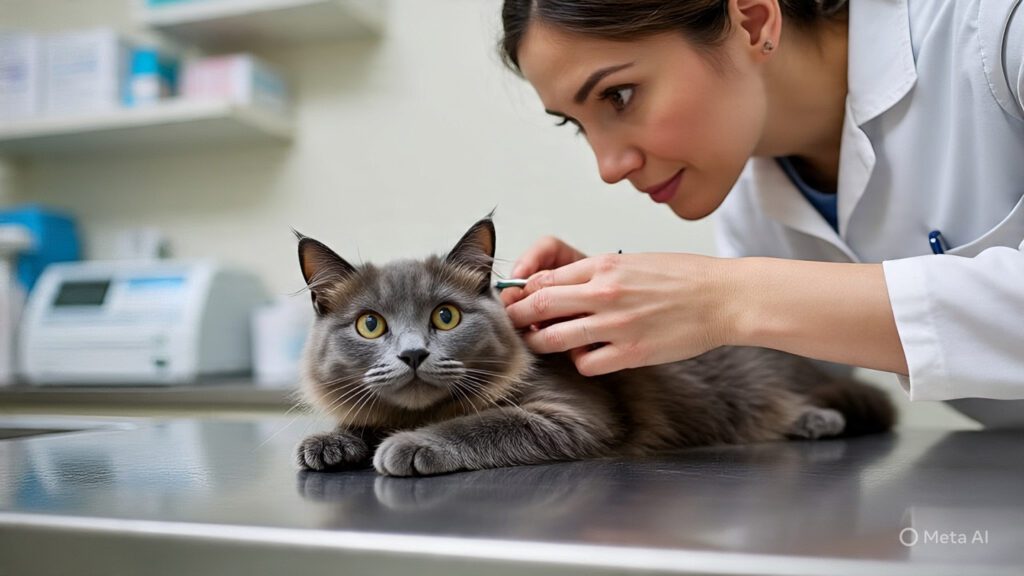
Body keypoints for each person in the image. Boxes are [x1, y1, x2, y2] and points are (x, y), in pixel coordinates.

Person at [497, 0, 1024, 425]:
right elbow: (807, 384)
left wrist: (726, 298)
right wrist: (614, 329)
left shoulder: (996, 29)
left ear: (751, 21)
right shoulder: (750, 195)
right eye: (576, 124)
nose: (609, 167)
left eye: (620, 95)